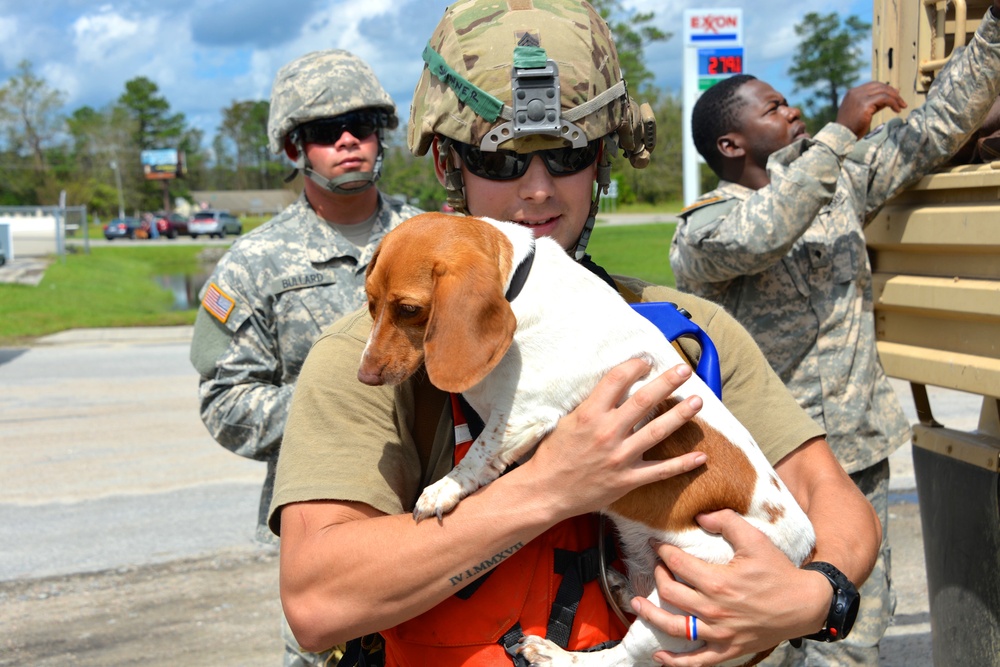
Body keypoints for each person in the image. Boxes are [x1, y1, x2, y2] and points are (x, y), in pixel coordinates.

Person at [270, 2, 882, 666]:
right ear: (450, 165)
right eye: (500, 161)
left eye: (567, 155)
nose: (538, 189)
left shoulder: (680, 332)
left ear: (602, 165)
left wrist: (817, 598)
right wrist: (552, 485)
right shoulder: (376, 356)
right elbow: (317, 602)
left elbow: (831, 496)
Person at [669, 4, 1000, 665]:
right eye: (775, 107)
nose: (791, 113)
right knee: (765, 640)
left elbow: (935, 126)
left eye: (792, 104)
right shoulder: (700, 232)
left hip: (859, 456)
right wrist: (835, 132)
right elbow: (767, 231)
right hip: (771, 472)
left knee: (855, 631)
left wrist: (992, 32)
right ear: (731, 144)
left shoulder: (837, 178)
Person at [189, 49, 421, 666]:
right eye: (323, 132)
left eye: (363, 126)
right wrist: (337, 408)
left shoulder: (429, 238)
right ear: (294, 149)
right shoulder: (253, 264)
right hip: (328, 520)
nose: (348, 141)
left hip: (441, 510)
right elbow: (225, 401)